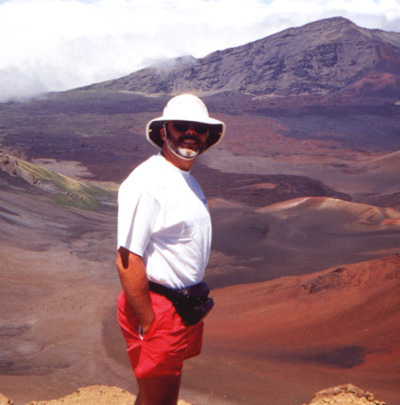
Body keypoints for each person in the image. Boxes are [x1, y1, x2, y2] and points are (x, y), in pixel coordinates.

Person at [116, 94, 226, 405]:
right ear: (164, 131)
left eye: (199, 128)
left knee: (159, 397)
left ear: (207, 136)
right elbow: (127, 260)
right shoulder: (149, 182)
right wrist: (150, 323)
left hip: (181, 308)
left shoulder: (186, 180)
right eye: (181, 125)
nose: (191, 132)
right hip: (158, 308)